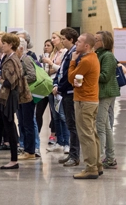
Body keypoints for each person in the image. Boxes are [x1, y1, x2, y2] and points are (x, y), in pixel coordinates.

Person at [0, 33, 23, 169]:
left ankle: (14, 160)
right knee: (0, 128)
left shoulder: (12, 60)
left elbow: (10, 82)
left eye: (4, 43)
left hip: (8, 97)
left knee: (9, 128)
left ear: (11, 45)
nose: (2, 45)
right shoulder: (8, 58)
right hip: (4, 96)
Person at [68, 33, 102, 179]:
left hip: (84, 100)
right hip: (91, 100)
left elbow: (71, 77)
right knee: (92, 134)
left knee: (86, 135)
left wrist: (72, 61)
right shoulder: (93, 57)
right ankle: (97, 164)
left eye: (79, 41)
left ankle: (91, 167)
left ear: (86, 46)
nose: (76, 43)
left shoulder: (86, 60)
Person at [52, 27, 81, 167]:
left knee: (72, 125)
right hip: (64, 92)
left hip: (69, 92)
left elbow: (70, 74)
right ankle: (72, 154)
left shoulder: (74, 53)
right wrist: (56, 83)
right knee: (70, 124)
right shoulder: (67, 53)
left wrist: (60, 87)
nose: (62, 41)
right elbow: (61, 72)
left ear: (71, 40)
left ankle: (75, 155)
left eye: (64, 39)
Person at [94, 31, 120, 169]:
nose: (94, 41)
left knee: (100, 125)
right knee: (106, 125)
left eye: (97, 39)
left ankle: (99, 157)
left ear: (104, 42)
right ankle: (110, 157)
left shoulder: (108, 56)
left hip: (106, 93)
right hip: (101, 93)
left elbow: (104, 76)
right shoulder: (99, 54)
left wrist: (90, 74)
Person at [44, 31, 70, 153]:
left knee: (62, 115)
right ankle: (59, 141)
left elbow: (62, 70)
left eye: (55, 38)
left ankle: (67, 142)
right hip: (51, 84)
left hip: (59, 85)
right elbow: (51, 70)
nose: (52, 40)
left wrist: (51, 64)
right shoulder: (54, 53)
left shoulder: (65, 53)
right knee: (55, 115)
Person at [17, 38, 38, 160]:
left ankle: (30, 150)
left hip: (27, 96)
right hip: (21, 95)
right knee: (23, 123)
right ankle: (26, 148)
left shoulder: (26, 59)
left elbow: (32, 76)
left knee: (28, 123)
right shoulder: (20, 59)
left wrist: (19, 79)